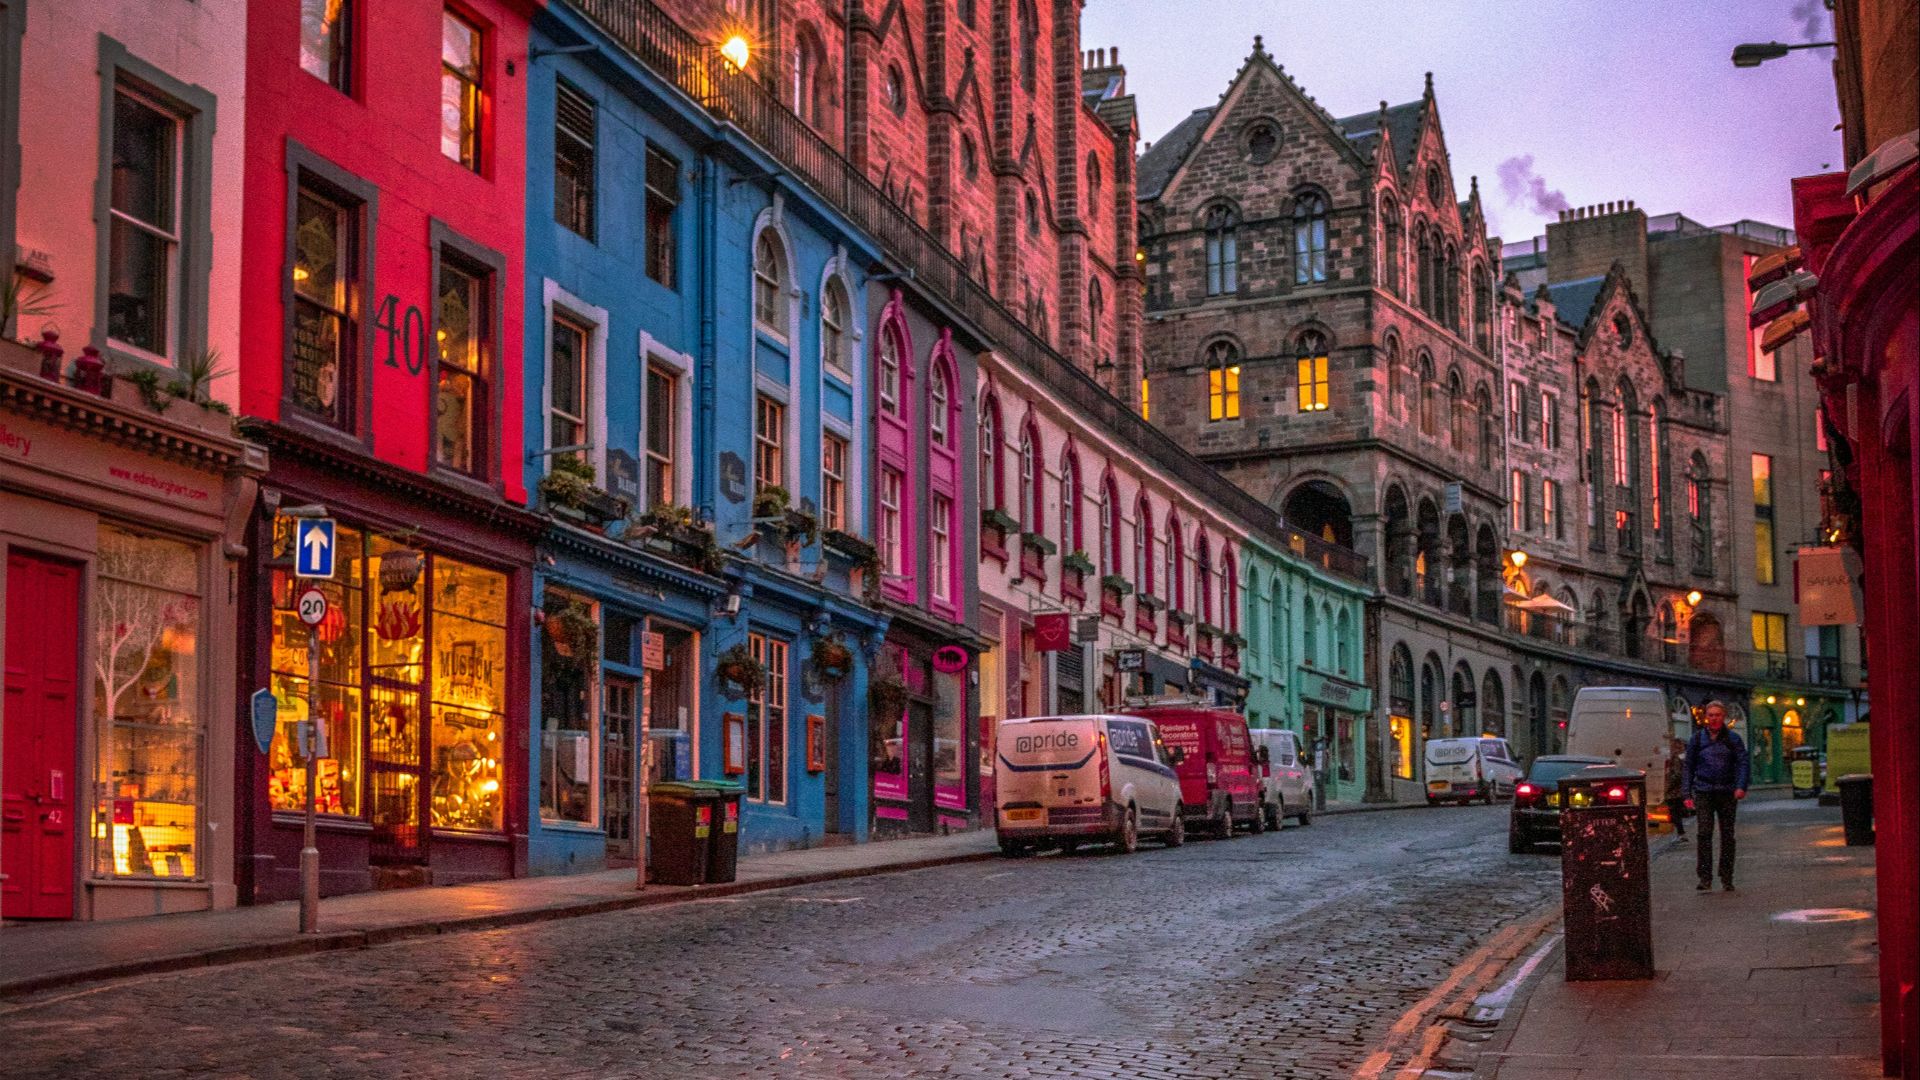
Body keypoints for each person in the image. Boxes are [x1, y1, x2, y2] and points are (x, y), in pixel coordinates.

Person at [1684, 701, 1751, 891]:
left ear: (1724, 717)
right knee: (1704, 834)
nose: (1714, 718)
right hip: (1704, 791)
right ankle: (1705, 877)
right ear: (1706, 717)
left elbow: (1743, 764)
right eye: (1711, 715)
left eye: (1718, 715)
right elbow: (1688, 767)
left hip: (1727, 792)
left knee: (1727, 836)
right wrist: (1686, 793)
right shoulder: (1697, 740)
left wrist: (1740, 786)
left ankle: (1726, 876)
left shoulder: (1733, 739)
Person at [1663, 737, 1689, 840]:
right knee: (1677, 811)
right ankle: (1680, 832)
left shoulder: (1676, 757)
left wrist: (1668, 786)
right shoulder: (1683, 756)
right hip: (1679, 789)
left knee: (1674, 811)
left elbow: (1677, 774)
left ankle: (1680, 832)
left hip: (1674, 790)